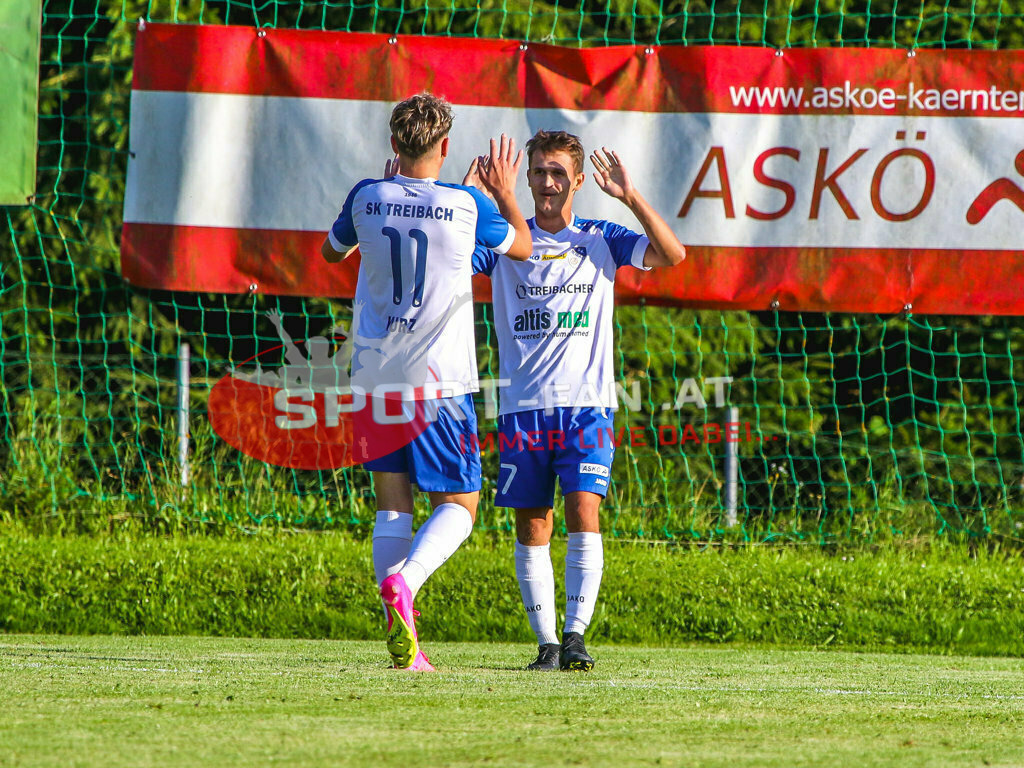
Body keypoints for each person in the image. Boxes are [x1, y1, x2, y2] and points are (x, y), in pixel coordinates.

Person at [321, 93, 532, 671]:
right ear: (445, 147)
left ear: (394, 146)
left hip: (373, 377)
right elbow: (524, 247)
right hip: (439, 382)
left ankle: (402, 641)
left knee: (392, 506)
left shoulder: (367, 195)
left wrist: (390, 200)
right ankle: (406, 583)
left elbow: (331, 251)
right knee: (461, 503)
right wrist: (500, 197)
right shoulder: (466, 205)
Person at [472, 130, 685, 671]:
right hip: (523, 408)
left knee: (583, 509)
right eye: (539, 171)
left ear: (579, 181)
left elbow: (673, 254)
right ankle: (545, 644)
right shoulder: (502, 240)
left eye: (558, 172)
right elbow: (449, 255)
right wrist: (468, 194)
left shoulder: (599, 236)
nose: (548, 182)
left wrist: (631, 196)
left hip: (587, 407)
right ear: (526, 178)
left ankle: (575, 637)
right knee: (532, 524)